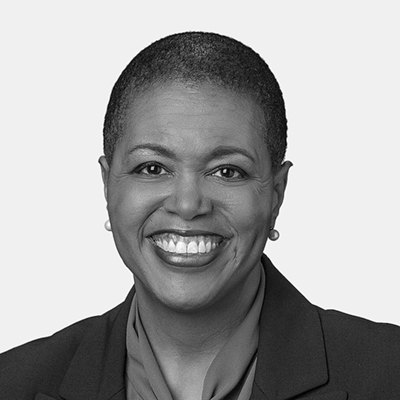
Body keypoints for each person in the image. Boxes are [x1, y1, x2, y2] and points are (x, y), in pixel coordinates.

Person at [1, 31, 399, 400]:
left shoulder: (389, 373)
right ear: (108, 186)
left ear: (276, 194)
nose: (189, 205)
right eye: (152, 168)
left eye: (227, 172)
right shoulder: (13, 383)